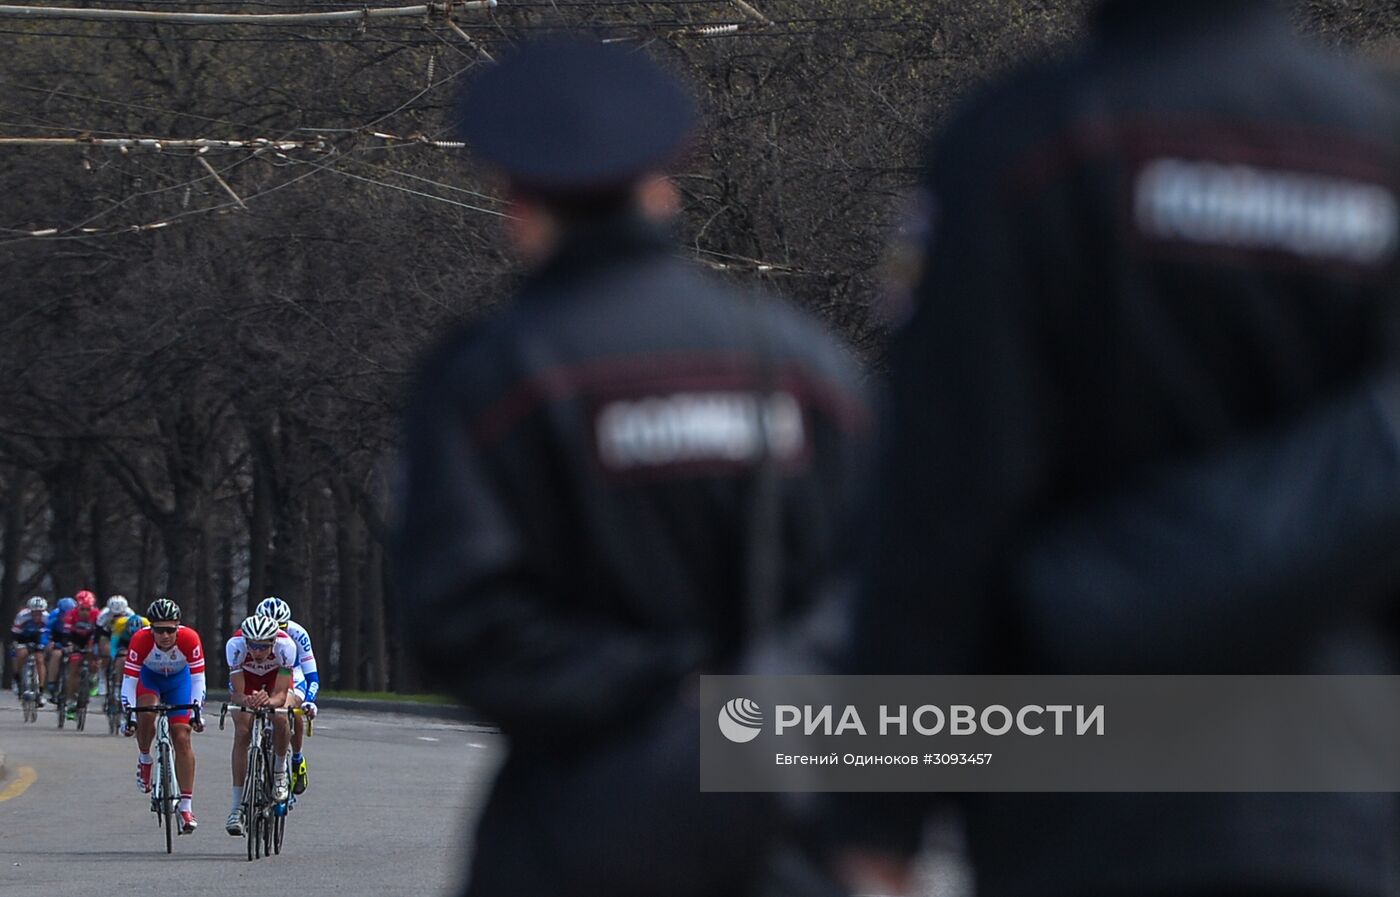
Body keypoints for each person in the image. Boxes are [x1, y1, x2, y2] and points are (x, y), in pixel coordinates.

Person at [838, 1, 1400, 896]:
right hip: (1327, 775)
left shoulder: (1025, 143)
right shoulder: (1371, 146)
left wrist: (882, 802)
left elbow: (944, 501)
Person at [395, 37, 871, 897]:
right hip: (781, 824)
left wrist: (657, 685)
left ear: (517, 203)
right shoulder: (806, 367)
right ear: (666, 185)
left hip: (576, 831)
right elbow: (888, 587)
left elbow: (458, 618)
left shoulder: (491, 379)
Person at [121, 598, 206, 834]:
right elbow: (129, 682)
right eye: (159, 630)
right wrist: (129, 715)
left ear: (178, 627)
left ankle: (186, 807)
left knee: (182, 736)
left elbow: (199, 680)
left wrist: (197, 710)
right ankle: (146, 758)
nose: (165, 635)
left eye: (170, 629)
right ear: (151, 628)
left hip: (180, 682)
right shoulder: (140, 639)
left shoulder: (190, 639)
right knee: (146, 714)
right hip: (151, 681)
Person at [223, 613, 297, 835]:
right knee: (242, 731)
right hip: (247, 683)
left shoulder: (286, 646)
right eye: (253, 645)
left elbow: (282, 693)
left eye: (263, 647)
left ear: (273, 642)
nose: (257, 652)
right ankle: (236, 807)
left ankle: (279, 772)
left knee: (281, 716)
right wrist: (248, 700)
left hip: (275, 681)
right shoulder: (235, 646)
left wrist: (269, 700)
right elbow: (237, 693)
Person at [254, 596, 318, 794]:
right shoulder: (251, 632)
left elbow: (311, 676)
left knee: (293, 709)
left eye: (281, 627)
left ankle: (297, 758)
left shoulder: (297, 633)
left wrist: (309, 701)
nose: (277, 633)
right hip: (264, 669)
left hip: (292, 670)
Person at [58, 590, 102, 712]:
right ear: (77, 607)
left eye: (88, 609)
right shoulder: (71, 615)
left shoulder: (97, 615)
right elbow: (66, 634)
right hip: (75, 640)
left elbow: (99, 634)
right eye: (82, 609)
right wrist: (68, 645)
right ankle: (71, 700)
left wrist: (93, 648)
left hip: (90, 639)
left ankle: (93, 678)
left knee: (94, 659)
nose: (85, 612)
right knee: (74, 666)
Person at [10, 596, 50, 704]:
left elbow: (48, 634)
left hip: (39, 638)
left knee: (40, 659)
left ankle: (40, 691)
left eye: (39, 613)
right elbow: (15, 634)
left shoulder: (47, 618)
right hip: (23, 637)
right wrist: (17, 645)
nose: (37, 615)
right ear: (30, 611)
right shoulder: (22, 616)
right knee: (21, 654)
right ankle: (17, 678)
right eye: (34, 613)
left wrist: (45, 645)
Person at [41, 596, 74, 700]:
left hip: (72, 638)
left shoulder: (77, 617)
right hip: (57, 638)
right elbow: (45, 633)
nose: (66, 616)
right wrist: (48, 643)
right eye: (64, 613)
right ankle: (52, 683)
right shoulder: (54, 616)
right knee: (56, 654)